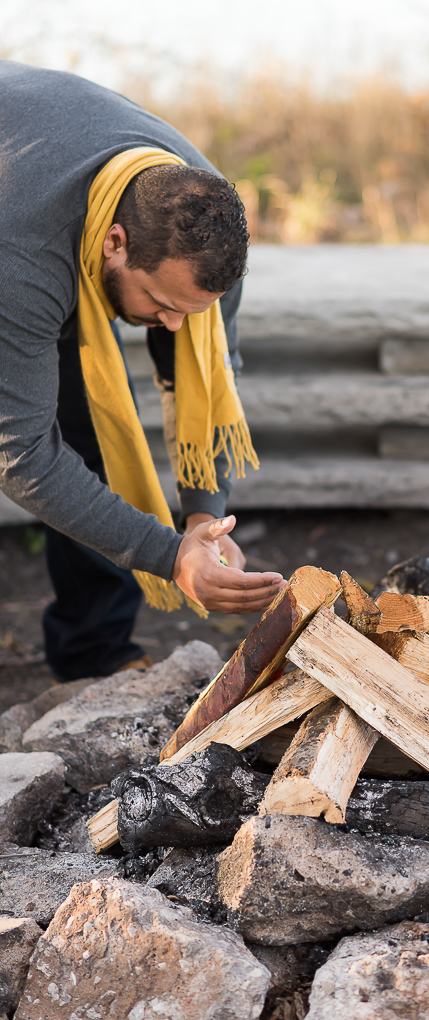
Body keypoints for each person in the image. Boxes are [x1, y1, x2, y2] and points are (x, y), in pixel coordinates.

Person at [0, 60, 285, 681]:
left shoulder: (208, 232)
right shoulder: (21, 261)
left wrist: (206, 519)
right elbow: (19, 456)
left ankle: (94, 654)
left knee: (95, 433)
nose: (178, 328)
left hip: (49, 205)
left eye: (193, 312)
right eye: (162, 305)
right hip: (18, 212)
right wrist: (169, 556)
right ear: (116, 243)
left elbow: (208, 383)